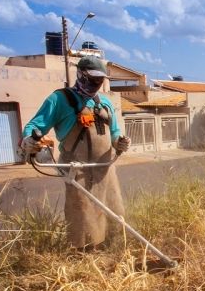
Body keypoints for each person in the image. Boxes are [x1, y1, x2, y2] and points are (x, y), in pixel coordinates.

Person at [20, 56, 131, 249]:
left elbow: (113, 131)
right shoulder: (60, 99)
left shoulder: (104, 102)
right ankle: (82, 255)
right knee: (81, 215)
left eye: (100, 80)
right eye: (92, 79)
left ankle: (113, 249)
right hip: (77, 169)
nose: (96, 84)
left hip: (104, 168)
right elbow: (35, 126)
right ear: (80, 74)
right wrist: (29, 140)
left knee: (114, 210)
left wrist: (119, 142)